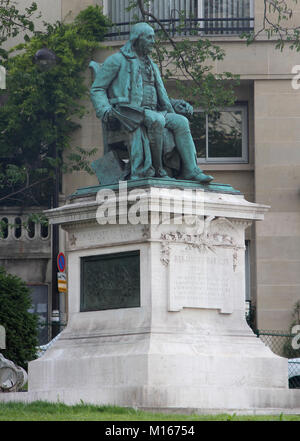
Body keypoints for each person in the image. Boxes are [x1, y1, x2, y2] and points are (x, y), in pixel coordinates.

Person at [90, 22, 213, 183]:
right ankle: (157, 169)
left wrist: (176, 104)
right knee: (157, 120)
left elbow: (158, 94)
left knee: (181, 121)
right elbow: (97, 89)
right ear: (137, 39)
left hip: (155, 111)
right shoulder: (117, 60)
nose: (153, 42)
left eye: (153, 37)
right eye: (149, 37)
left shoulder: (152, 65)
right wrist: (105, 110)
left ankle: (191, 170)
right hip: (128, 113)